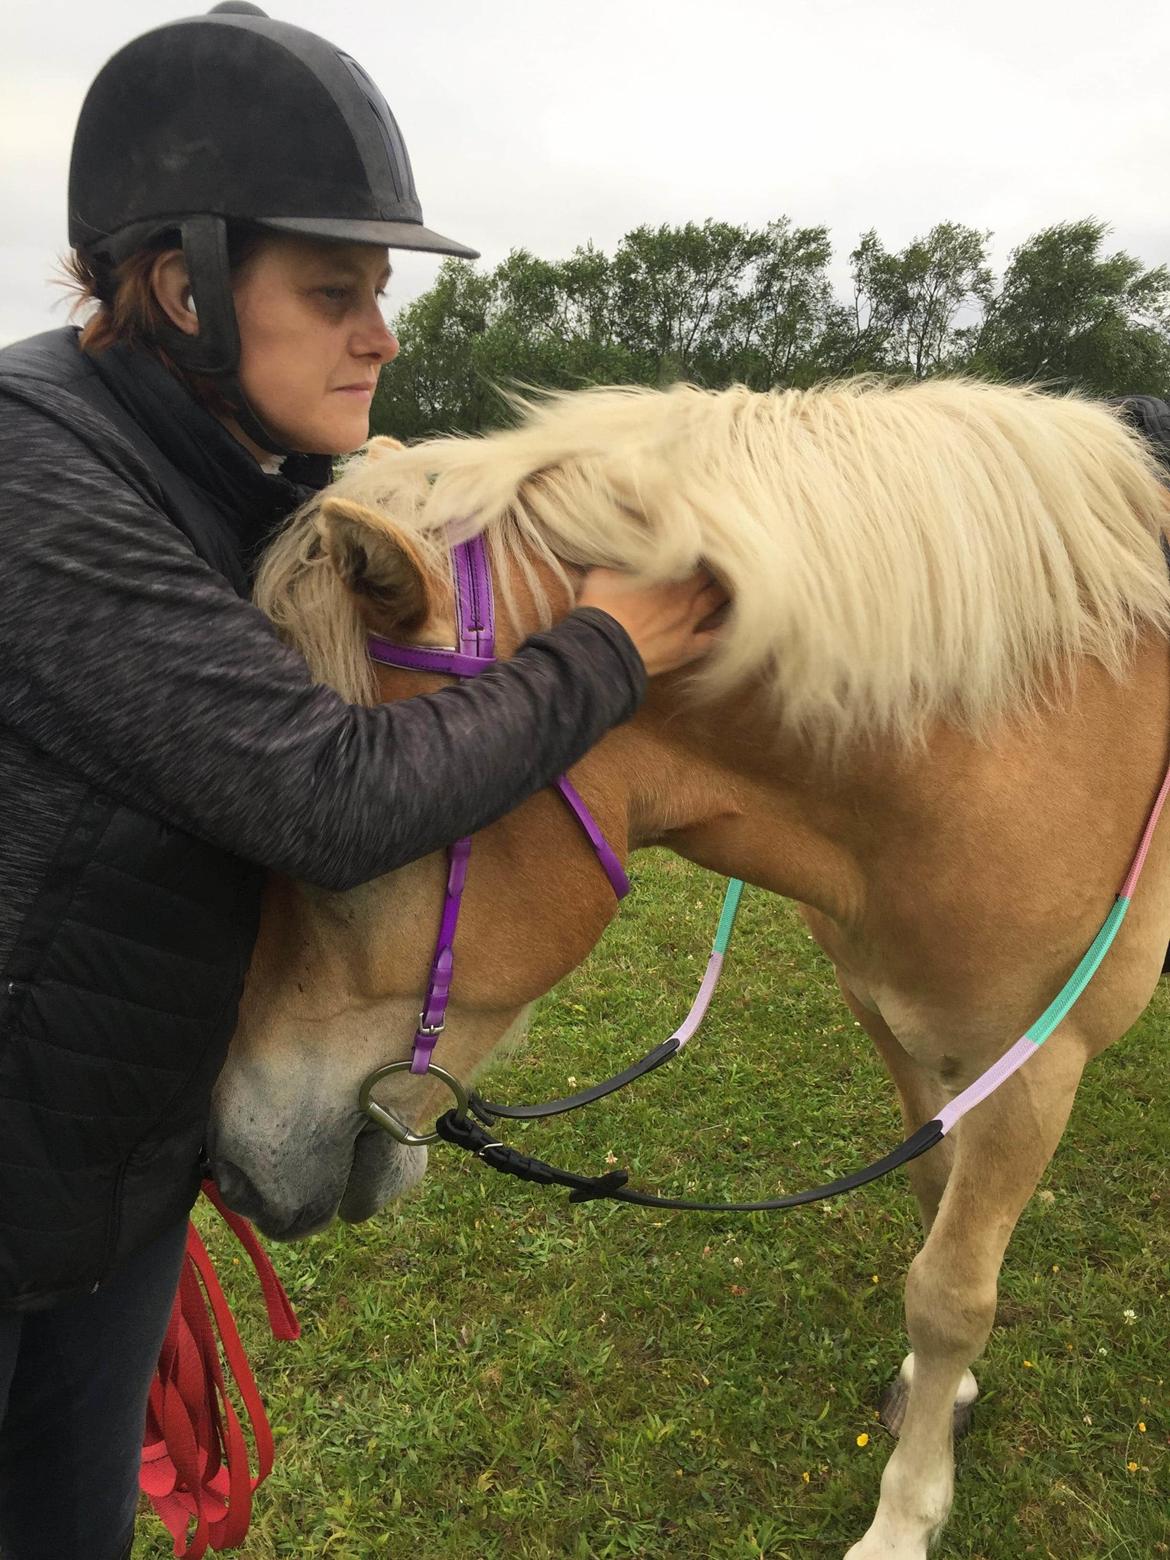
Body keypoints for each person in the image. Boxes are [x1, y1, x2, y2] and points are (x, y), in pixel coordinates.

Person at [0, 7, 724, 1556]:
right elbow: (326, 795)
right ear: (186, 293)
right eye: (335, 293)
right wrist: (610, 645)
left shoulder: (215, 471)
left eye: (377, 294)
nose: (378, 334)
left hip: (101, 1179)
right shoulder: (31, 470)